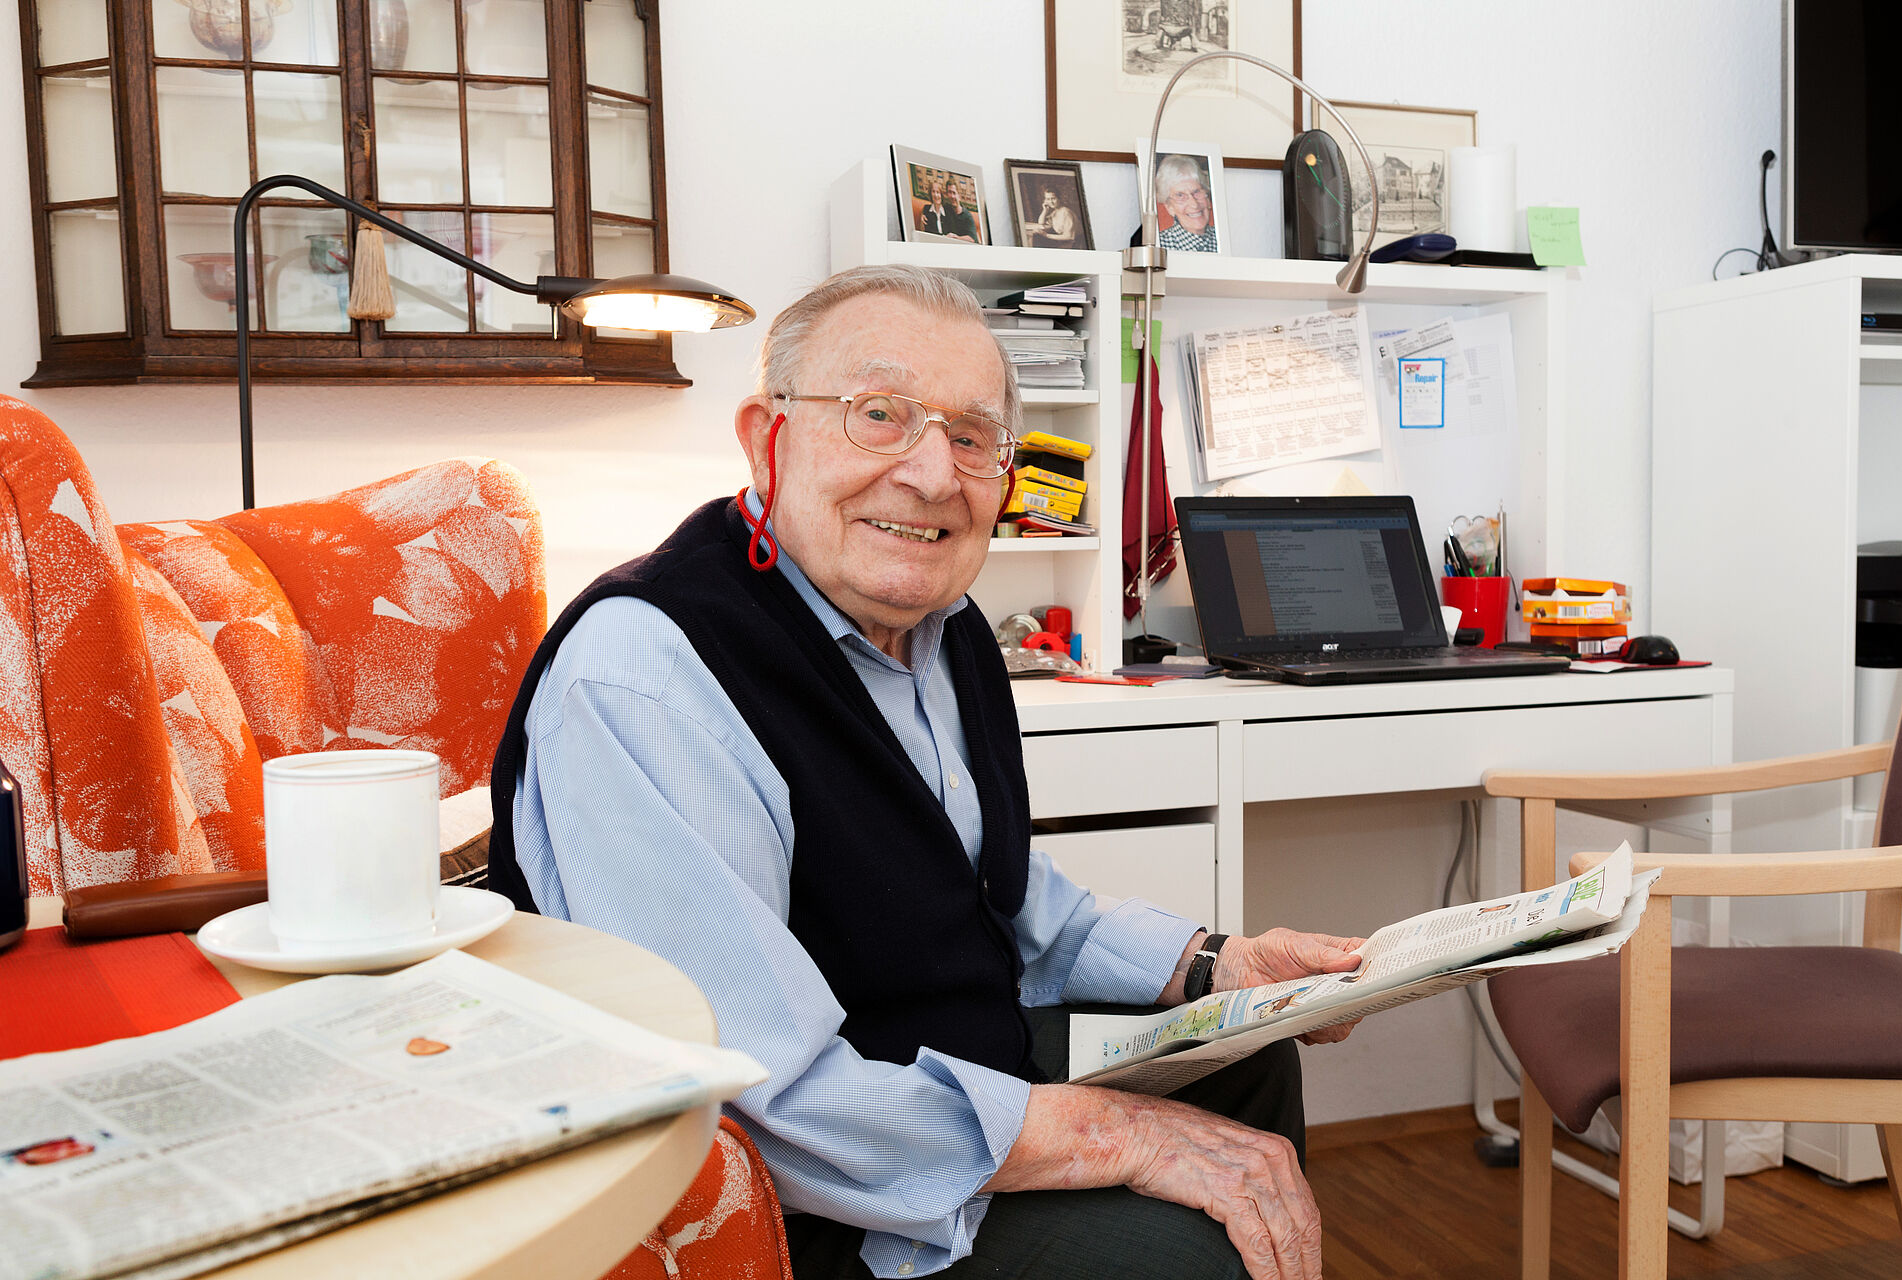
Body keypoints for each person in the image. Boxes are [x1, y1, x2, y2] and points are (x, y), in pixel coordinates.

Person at [489, 264, 1366, 1280]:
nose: (933, 473)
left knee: (1250, 1055)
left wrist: (1220, 966)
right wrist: (1118, 1134)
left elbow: (997, 896)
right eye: (879, 414)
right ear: (764, 436)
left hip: (928, 1059)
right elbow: (759, 1087)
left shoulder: (943, 634)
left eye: (972, 435)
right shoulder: (651, 676)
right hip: (798, 1194)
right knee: (1175, 1252)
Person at [1154, 153, 1218, 252]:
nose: (1194, 204)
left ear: (1208, 199)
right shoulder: (1160, 247)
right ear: (1169, 207)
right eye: (1180, 195)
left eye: (1196, 192)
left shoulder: (1223, 239)